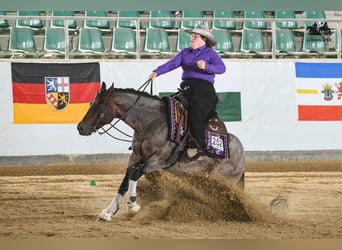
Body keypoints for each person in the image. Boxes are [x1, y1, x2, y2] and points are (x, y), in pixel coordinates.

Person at [149, 24, 226, 157]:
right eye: (192, 36)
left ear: (204, 40)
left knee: (196, 115)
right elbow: (172, 64)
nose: (192, 39)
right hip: (187, 88)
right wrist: (157, 72)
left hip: (204, 90)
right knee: (168, 108)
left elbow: (221, 68)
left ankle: (200, 147)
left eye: (195, 37)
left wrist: (206, 66)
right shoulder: (185, 52)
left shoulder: (210, 53)